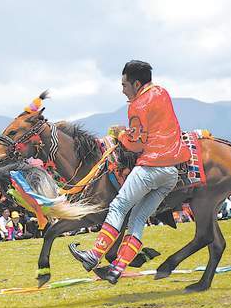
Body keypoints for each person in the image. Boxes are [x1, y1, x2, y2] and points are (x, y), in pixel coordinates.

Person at [69, 60, 190, 284]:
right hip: (171, 173)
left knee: (118, 206)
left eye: (124, 84)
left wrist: (120, 134)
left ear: (135, 83)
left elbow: (135, 144)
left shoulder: (137, 105)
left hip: (150, 167)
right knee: (138, 217)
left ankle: (94, 255)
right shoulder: (163, 92)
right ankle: (117, 269)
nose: (122, 89)